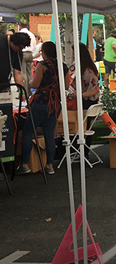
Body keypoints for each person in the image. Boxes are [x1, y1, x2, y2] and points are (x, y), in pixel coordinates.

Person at [17, 42, 69, 175]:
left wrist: (29, 83)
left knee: (28, 132)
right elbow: (67, 86)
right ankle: (49, 166)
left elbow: (35, 83)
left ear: (44, 52)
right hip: (55, 103)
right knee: (49, 134)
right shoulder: (63, 67)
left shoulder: (42, 65)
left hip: (41, 102)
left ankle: (24, 165)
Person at [18, 22, 36, 94]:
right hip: (30, 54)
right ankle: (30, 91)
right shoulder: (31, 34)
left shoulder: (20, 34)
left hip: (23, 53)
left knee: (23, 74)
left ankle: (24, 92)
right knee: (29, 73)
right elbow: (34, 46)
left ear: (20, 26)